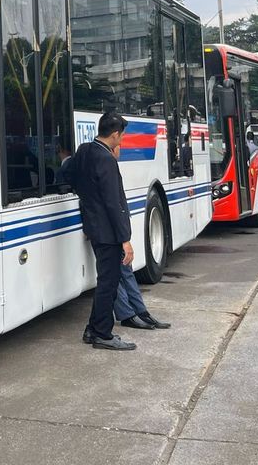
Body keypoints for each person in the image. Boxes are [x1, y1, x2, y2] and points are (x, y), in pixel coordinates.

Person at [69, 112, 136, 351]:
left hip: (94, 227)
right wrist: (125, 239)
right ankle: (102, 333)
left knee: (104, 281)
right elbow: (113, 202)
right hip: (108, 232)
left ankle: (92, 329)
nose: (123, 140)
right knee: (109, 282)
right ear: (115, 134)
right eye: (123, 135)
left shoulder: (85, 151)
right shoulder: (106, 159)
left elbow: (70, 177)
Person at [108, 142, 171, 331]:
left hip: (117, 229)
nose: (121, 149)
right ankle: (127, 314)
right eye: (119, 145)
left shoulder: (109, 166)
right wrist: (124, 238)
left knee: (125, 270)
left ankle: (141, 312)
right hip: (110, 231)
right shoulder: (105, 166)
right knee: (116, 273)